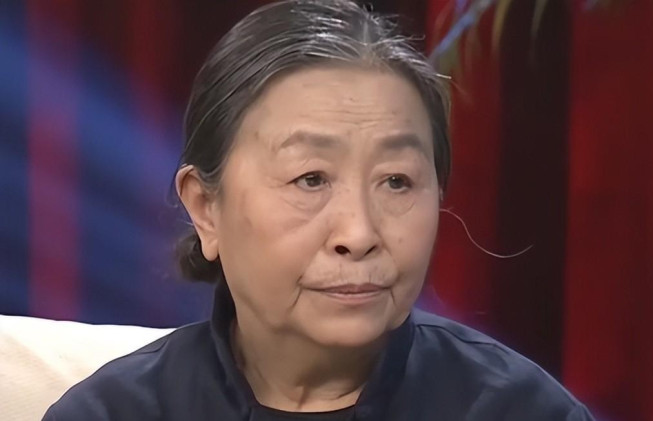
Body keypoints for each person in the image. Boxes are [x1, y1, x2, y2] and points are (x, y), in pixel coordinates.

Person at [43, 1, 594, 420]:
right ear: (206, 207)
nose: (359, 232)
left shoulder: (518, 409)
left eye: (397, 181)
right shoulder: (112, 412)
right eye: (310, 178)